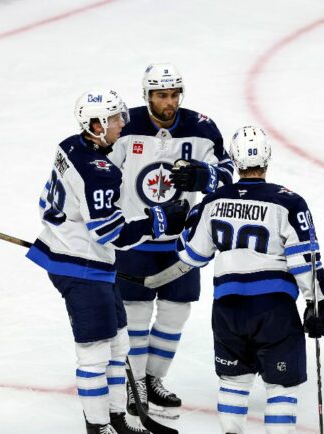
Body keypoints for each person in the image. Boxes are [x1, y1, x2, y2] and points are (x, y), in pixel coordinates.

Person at [25, 88, 188, 434]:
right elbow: (111, 235)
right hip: (82, 268)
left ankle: (116, 417)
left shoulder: (69, 145)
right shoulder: (98, 171)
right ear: (95, 124)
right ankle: (99, 428)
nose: (121, 124)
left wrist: (63, 230)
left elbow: (46, 202)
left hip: (80, 257)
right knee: (95, 353)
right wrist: (160, 221)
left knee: (119, 344)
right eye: (114, 119)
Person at [170, 125, 324, 433]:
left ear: (234, 159)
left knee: (234, 382)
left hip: (228, 309)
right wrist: (320, 303)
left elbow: (192, 255)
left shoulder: (213, 201)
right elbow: (306, 262)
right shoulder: (289, 202)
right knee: (281, 387)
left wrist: (186, 218)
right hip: (274, 311)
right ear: (268, 157)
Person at [107, 62, 234, 418]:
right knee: (136, 313)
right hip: (134, 240)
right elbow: (99, 173)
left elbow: (227, 176)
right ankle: (134, 385)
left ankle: (153, 379)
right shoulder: (125, 127)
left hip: (181, 242)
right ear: (146, 95)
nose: (170, 102)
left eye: (175, 94)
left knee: (175, 314)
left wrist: (205, 177)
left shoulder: (202, 129)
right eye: (162, 95)